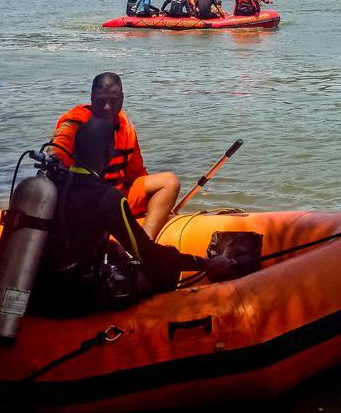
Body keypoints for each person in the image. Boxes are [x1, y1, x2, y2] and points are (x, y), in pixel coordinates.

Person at [33, 117, 231, 315]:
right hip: (76, 301)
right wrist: (203, 263)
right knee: (162, 270)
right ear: (109, 152)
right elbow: (147, 254)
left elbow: (69, 233)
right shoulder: (107, 197)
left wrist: (111, 246)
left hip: (39, 295)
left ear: (74, 149)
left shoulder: (48, 186)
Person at [48, 73, 180, 239]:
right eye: (101, 100)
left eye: (113, 100)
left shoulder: (126, 129)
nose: (107, 107)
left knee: (170, 181)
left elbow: (136, 175)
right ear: (91, 98)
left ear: (122, 98)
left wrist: (155, 205)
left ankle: (145, 240)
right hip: (83, 201)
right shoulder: (74, 125)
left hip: (116, 196)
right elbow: (56, 153)